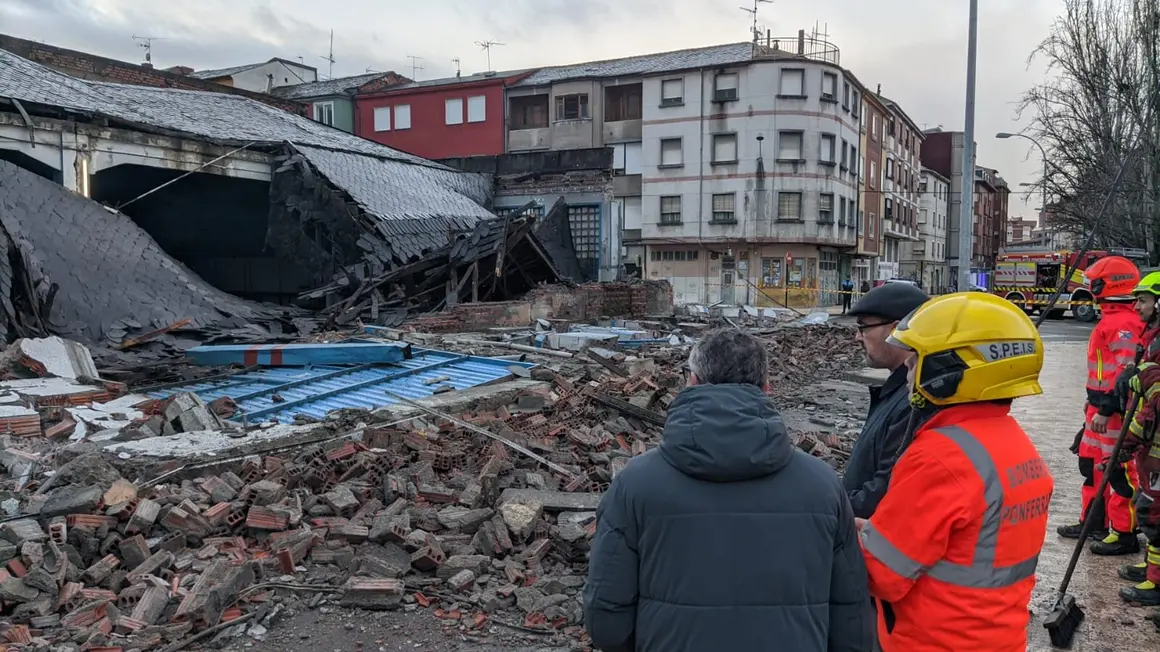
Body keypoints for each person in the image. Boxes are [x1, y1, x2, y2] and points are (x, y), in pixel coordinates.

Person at [583, 328, 874, 652]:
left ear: (692, 381)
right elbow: (853, 620)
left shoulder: (634, 484)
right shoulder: (823, 486)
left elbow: (606, 617)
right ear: (766, 388)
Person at [857, 291, 1054, 651]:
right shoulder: (1016, 446)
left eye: (916, 359)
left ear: (947, 369)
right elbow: (964, 546)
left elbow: (881, 575)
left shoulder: (939, 458)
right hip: (997, 638)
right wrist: (871, 528)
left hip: (934, 640)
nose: (907, 368)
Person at [1056, 256, 1144, 556]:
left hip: (1114, 414)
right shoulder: (1115, 319)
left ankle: (1123, 532)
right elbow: (1105, 371)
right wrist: (1094, 403)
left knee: (1116, 470)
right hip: (1100, 410)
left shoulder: (1123, 323)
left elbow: (1125, 373)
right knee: (1092, 466)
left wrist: (1106, 408)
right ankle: (1093, 522)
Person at [843, 282, 931, 518]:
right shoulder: (898, 390)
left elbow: (883, 491)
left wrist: (834, 509)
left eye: (863, 327)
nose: (857, 337)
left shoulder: (914, 402)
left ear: (897, 330)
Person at [1113, 270, 1160, 606]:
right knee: (1150, 508)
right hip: (1150, 446)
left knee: (1154, 514)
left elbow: (1155, 401)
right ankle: (1152, 570)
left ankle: (1156, 584)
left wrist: (1128, 442)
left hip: (1155, 444)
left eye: (1143, 300)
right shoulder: (1153, 336)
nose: (1137, 305)